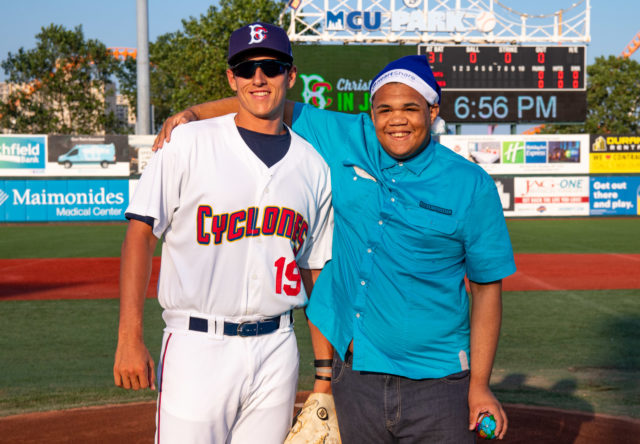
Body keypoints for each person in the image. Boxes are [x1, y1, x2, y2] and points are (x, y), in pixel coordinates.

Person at [155, 54, 516, 443]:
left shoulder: (471, 184)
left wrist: (479, 385)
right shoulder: (347, 136)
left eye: (411, 108)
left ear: (432, 111)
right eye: (385, 109)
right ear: (371, 113)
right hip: (355, 377)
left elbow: (486, 289)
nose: (397, 120)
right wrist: (194, 113)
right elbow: (270, 102)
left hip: (439, 382)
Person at [113, 22, 333, 444]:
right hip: (198, 345)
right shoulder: (186, 143)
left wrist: (323, 376)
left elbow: (314, 273)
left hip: (277, 346)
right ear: (231, 78)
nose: (258, 78)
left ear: (290, 75)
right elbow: (139, 235)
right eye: (246, 67)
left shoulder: (312, 166)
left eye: (270, 66)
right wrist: (129, 338)